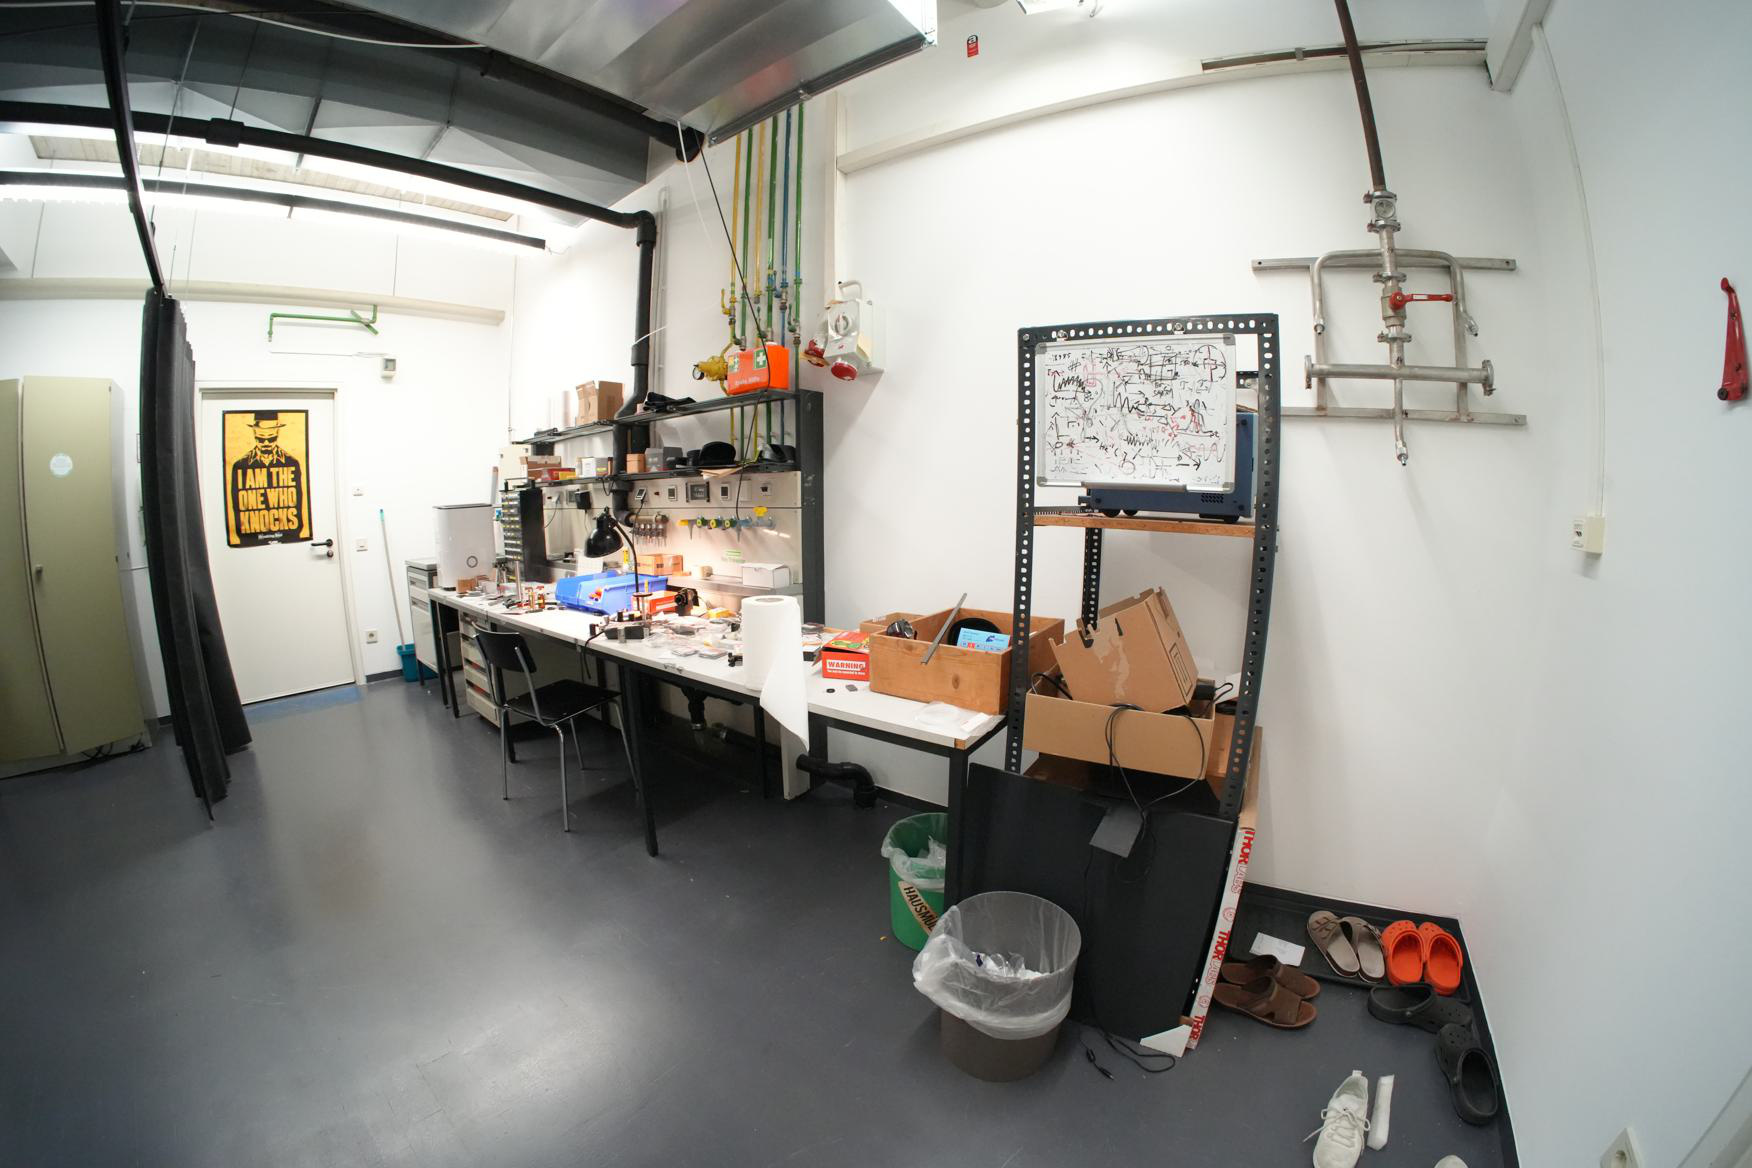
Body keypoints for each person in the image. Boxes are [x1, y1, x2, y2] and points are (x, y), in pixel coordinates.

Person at [229, 411, 306, 544]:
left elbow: (297, 506)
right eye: (260, 439)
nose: (266, 443)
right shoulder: (240, 465)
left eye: (271, 439)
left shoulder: (292, 463)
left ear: (277, 434)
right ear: (254, 434)